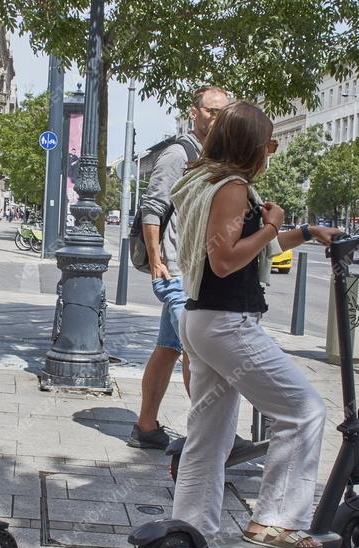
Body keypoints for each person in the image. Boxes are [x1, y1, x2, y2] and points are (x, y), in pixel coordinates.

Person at [169, 101, 341, 548]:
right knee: (303, 411)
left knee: (208, 438)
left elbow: (248, 246)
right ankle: (276, 521)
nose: (272, 150)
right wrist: (271, 228)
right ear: (252, 146)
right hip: (227, 323)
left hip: (203, 318)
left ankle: (189, 531)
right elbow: (225, 260)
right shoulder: (232, 187)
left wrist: (302, 233)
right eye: (269, 142)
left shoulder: (204, 180)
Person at [128, 85, 230, 449]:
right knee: (197, 352)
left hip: (193, 270)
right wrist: (156, 260)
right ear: (195, 112)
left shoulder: (212, 155)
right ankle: (213, 438)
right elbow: (152, 208)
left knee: (169, 348)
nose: (217, 118)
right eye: (211, 111)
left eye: (223, 112)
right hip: (176, 269)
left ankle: (145, 426)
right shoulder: (178, 153)